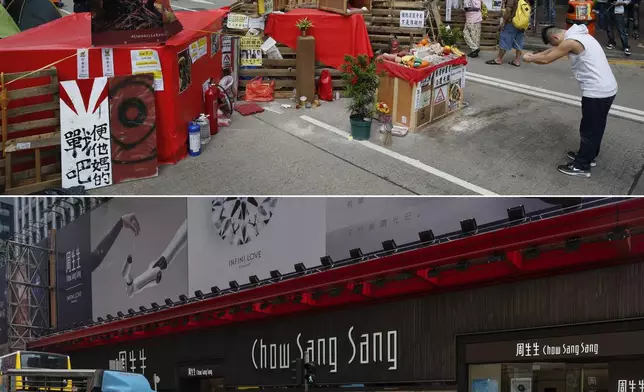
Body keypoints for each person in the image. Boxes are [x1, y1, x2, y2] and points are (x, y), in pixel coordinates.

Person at [523, 25, 618, 178]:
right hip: (606, 89)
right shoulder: (580, 35)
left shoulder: (571, 42)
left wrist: (529, 58)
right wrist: (536, 54)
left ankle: (582, 166)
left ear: (555, 38)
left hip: (597, 92)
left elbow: (548, 58)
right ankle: (588, 155)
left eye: (554, 44)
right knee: (596, 126)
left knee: (589, 129)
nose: (556, 47)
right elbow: (551, 51)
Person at [485, 0, 530, 66]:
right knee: (519, 41)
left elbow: (508, 10)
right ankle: (517, 61)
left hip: (512, 22)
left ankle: (498, 59)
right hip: (522, 23)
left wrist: (504, 21)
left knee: (505, 39)